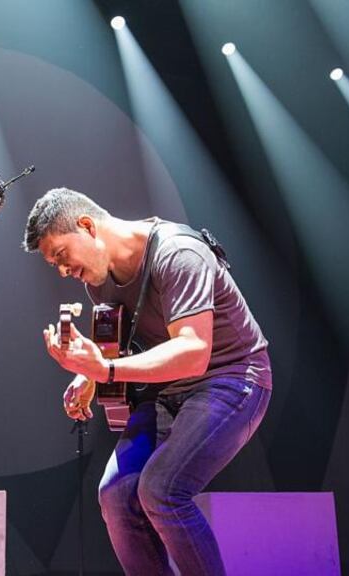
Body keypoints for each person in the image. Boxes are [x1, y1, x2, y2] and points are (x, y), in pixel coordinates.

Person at [24, 188, 271, 576]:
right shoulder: (98, 280)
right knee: (116, 496)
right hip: (167, 391)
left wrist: (102, 371)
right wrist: (86, 374)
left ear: (87, 226)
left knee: (162, 490)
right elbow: (116, 343)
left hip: (231, 377)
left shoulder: (178, 253)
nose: (62, 270)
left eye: (60, 255)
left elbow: (193, 352)